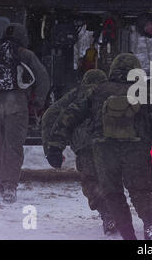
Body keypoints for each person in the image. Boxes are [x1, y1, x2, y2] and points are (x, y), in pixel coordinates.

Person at [47, 53, 152, 240]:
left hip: (105, 152)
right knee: (141, 191)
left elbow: (70, 116)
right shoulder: (146, 94)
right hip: (137, 151)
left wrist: (55, 146)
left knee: (113, 194)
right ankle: (151, 227)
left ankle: (128, 235)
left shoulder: (98, 91)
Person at [42, 69, 116, 233]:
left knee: (91, 180)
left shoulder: (76, 94)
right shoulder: (113, 92)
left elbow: (50, 116)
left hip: (85, 145)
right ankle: (114, 211)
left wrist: (51, 147)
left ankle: (107, 213)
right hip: (111, 144)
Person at [0, 23, 50, 203]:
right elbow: (43, 79)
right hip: (16, 104)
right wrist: (38, 102)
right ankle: (9, 186)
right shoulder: (25, 54)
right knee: (13, 146)